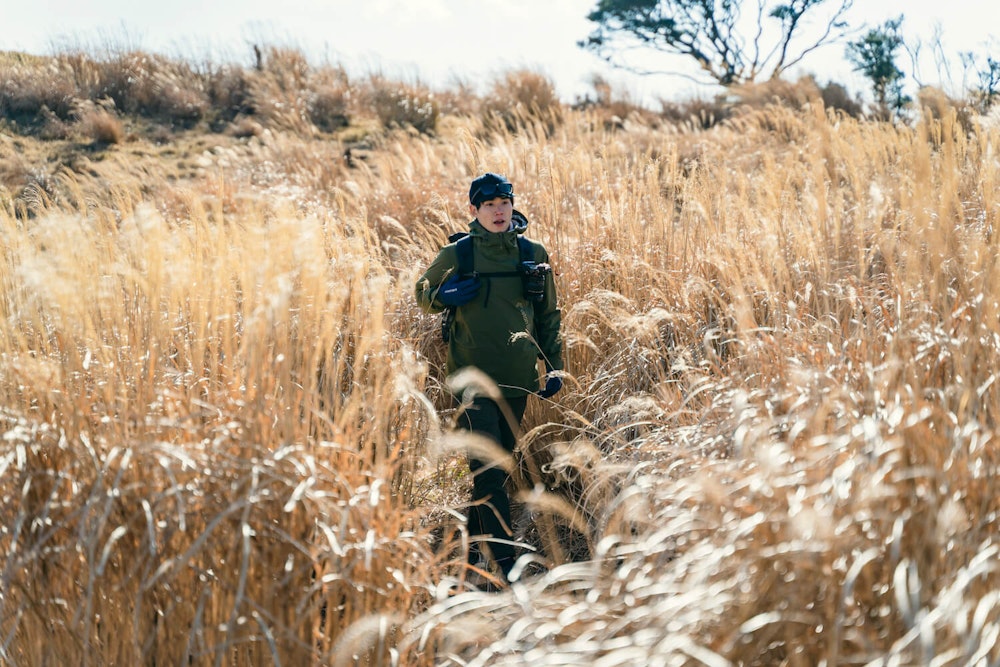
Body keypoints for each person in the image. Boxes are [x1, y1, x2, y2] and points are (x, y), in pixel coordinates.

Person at [415, 172, 564, 585]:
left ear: (512, 207)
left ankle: (479, 547)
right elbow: (421, 291)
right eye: (489, 205)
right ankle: (504, 562)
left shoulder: (532, 252)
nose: (498, 211)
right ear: (474, 211)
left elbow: (549, 317)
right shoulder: (460, 254)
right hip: (470, 379)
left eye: (504, 203)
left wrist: (553, 365)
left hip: (516, 378)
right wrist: (443, 296)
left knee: (497, 466)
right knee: (488, 467)